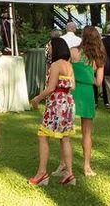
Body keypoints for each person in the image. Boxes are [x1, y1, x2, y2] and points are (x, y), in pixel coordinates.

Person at [29, 38, 76, 186]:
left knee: (43, 136)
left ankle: (42, 173)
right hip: (68, 103)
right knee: (65, 138)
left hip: (56, 104)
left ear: (55, 48)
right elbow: (72, 86)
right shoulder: (69, 65)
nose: (47, 49)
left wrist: (36, 99)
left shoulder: (55, 65)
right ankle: (69, 174)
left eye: (49, 46)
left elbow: (50, 88)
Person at [67, 26, 106, 177]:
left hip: (72, 91)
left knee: (66, 132)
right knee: (87, 133)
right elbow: (99, 82)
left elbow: (66, 70)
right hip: (88, 93)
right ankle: (87, 166)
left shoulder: (73, 51)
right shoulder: (99, 56)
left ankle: (64, 164)